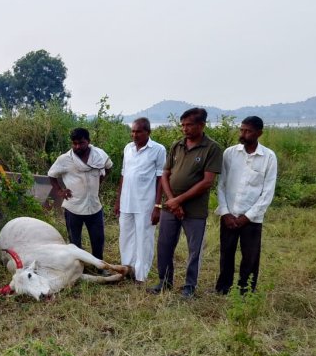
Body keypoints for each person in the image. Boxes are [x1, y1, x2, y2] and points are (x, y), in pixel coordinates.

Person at [148, 107, 223, 298]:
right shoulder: (177, 145)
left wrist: (179, 201)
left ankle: (189, 286)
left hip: (195, 209)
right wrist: (172, 201)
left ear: (202, 125)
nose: (185, 129)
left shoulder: (212, 148)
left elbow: (207, 182)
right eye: (182, 125)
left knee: (194, 249)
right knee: (164, 244)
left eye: (189, 125)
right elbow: (165, 174)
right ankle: (164, 281)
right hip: (170, 206)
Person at [215, 116, 277, 295]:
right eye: (242, 129)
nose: (243, 134)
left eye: (248, 131)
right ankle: (223, 288)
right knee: (226, 254)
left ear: (259, 133)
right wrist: (225, 213)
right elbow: (222, 185)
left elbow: (267, 192)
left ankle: (246, 290)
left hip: (252, 218)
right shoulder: (230, 153)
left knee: (250, 257)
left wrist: (247, 217)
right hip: (229, 215)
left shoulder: (268, 157)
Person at [114, 118, 166, 284]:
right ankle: (127, 270)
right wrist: (118, 200)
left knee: (144, 238)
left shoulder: (158, 149)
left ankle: (141, 276)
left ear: (148, 132)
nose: (134, 134)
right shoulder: (128, 148)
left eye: (138, 131)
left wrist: (157, 206)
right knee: (126, 236)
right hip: (126, 202)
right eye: (133, 131)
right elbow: (124, 174)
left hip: (146, 203)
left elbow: (161, 179)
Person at [48, 127, 113, 260]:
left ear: (88, 141)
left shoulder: (99, 155)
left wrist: (99, 181)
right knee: (74, 242)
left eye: (81, 143)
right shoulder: (64, 159)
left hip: (94, 206)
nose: (77, 146)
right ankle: (78, 267)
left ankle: (99, 266)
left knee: (98, 240)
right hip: (73, 207)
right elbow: (51, 175)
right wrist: (60, 190)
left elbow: (109, 167)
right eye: (74, 143)